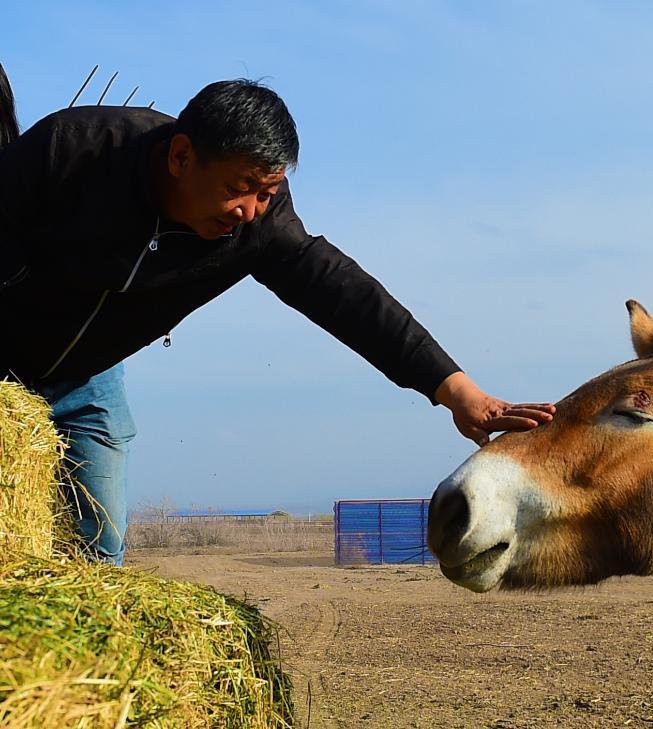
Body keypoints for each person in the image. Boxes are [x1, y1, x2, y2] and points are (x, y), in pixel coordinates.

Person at [0, 64, 555, 566]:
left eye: (266, 193)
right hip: (7, 364)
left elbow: (345, 295)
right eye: (239, 190)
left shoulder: (260, 225)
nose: (250, 211)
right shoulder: (72, 151)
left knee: (97, 554)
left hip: (91, 378)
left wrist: (456, 390)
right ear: (181, 157)